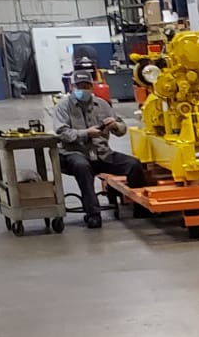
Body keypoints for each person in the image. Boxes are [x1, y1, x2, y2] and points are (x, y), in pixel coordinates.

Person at [56, 68, 145, 228]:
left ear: (92, 87)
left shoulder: (102, 105)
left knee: (134, 165)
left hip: (102, 154)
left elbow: (121, 129)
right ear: (72, 87)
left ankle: (140, 207)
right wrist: (86, 133)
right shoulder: (63, 107)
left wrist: (115, 125)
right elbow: (61, 133)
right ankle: (93, 214)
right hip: (74, 154)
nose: (83, 90)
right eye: (79, 86)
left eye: (86, 86)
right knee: (83, 167)